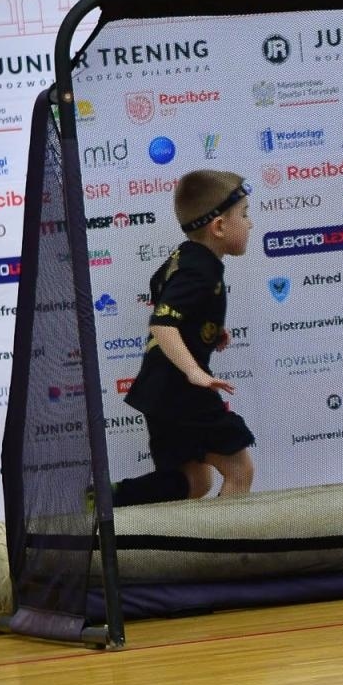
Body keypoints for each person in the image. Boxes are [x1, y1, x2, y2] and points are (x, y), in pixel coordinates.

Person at [115, 170, 256, 506]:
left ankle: (111, 498)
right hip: (181, 390)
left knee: (193, 481)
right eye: (245, 215)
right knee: (239, 470)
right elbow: (162, 323)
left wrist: (207, 329)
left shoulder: (185, 257)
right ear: (219, 227)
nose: (250, 224)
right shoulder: (201, 269)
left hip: (159, 392)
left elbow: (162, 291)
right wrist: (194, 371)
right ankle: (227, 550)